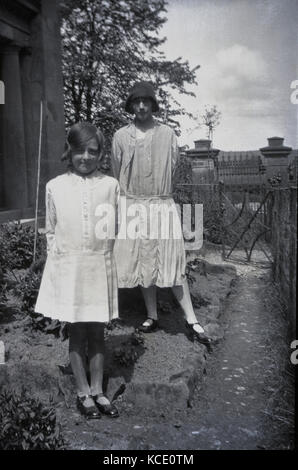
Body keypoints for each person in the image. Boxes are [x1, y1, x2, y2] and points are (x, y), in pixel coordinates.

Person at [111, 81, 212, 345]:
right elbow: (116, 171)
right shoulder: (121, 136)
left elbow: (174, 168)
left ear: (153, 105)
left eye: (146, 101)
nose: (142, 106)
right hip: (132, 205)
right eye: (137, 102)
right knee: (144, 261)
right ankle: (152, 315)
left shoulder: (168, 134)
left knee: (171, 260)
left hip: (161, 203)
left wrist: (159, 196)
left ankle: (191, 319)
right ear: (131, 105)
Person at [35, 122, 119, 419]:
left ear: (101, 154)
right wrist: (56, 266)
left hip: (99, 263)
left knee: (97, 331)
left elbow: (115, 227)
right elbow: (51, 231)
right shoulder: (55, 186)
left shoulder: (110, 185)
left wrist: (110, 259)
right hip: (69, 266)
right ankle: (82, 392)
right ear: (69, 151)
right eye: (79, 150)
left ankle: (98, 390)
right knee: (76, 331)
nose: (86, 156)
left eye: (93, 151)